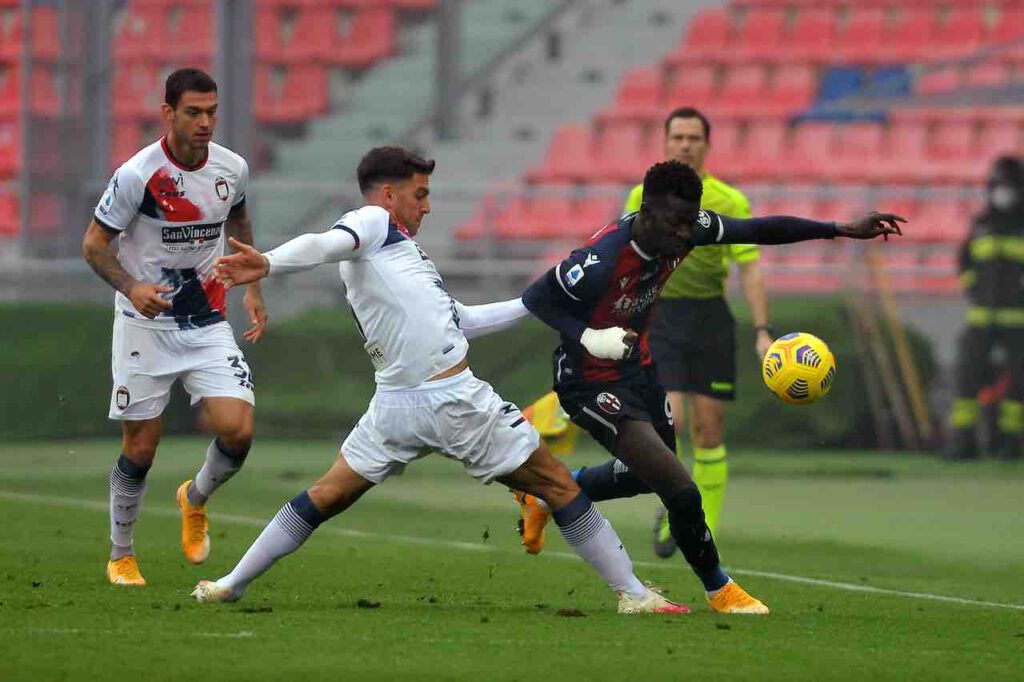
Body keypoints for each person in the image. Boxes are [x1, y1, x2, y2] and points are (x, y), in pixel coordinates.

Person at [190, 147, 689, 615]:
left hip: (395, 406)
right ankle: (633, 593)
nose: (427, 207)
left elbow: (462, 319)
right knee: (558, 484)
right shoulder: (373, 223)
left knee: (327, 494)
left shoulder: (404, 256)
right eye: (420, 194)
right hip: (452, 400)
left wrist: (536, 301)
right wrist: (270, 263)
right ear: (389, 195)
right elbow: (327, 243)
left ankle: (230, 583)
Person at [521, 160, 905, 614]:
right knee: (681, 489)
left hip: (638, 370)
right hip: (586, 381)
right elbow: (536, 299)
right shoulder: (602, 259)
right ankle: (719, 589)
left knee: (651, 477)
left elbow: (758, 229)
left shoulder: (687, 226)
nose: (686, 234)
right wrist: (589, 338)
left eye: (690, 222)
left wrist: (839, 228)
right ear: (646, 212)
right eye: (676, 223)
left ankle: (549, 488)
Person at [82, 68, 268, 587]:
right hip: (145, 321)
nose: (205, 121)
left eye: (212, 111)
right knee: (141, 446)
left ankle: (195, 497)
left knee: (239, 429)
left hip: (207, 318)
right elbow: (94, 245)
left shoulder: (232, 168)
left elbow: (238, 221)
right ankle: (121, 554)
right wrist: (130, 287)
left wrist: (252, 287)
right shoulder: (138, 175)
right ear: (168, 113)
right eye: (194, 112)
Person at [627, 107, 770, 554]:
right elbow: (627, 262)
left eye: (693, 137)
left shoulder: (729, 200)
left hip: (710, 318)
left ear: (707, 144)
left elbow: (750, 269)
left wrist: (763, 330)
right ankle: (675, 505)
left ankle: (702, 525)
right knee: (672, 422)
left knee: (709, 430)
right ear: (665, 143)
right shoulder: (641, 198)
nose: (685, 144)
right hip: (661, 316)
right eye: (678, 137)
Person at [945, 155, 1024, 461]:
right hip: (981, 318)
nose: (1003, 192)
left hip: (1019, 321)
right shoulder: (982, 225)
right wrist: (972, 286)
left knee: (1019, 385)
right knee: (967, 376)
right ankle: (962, 442)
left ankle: (1011, 443)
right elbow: (965, 260)